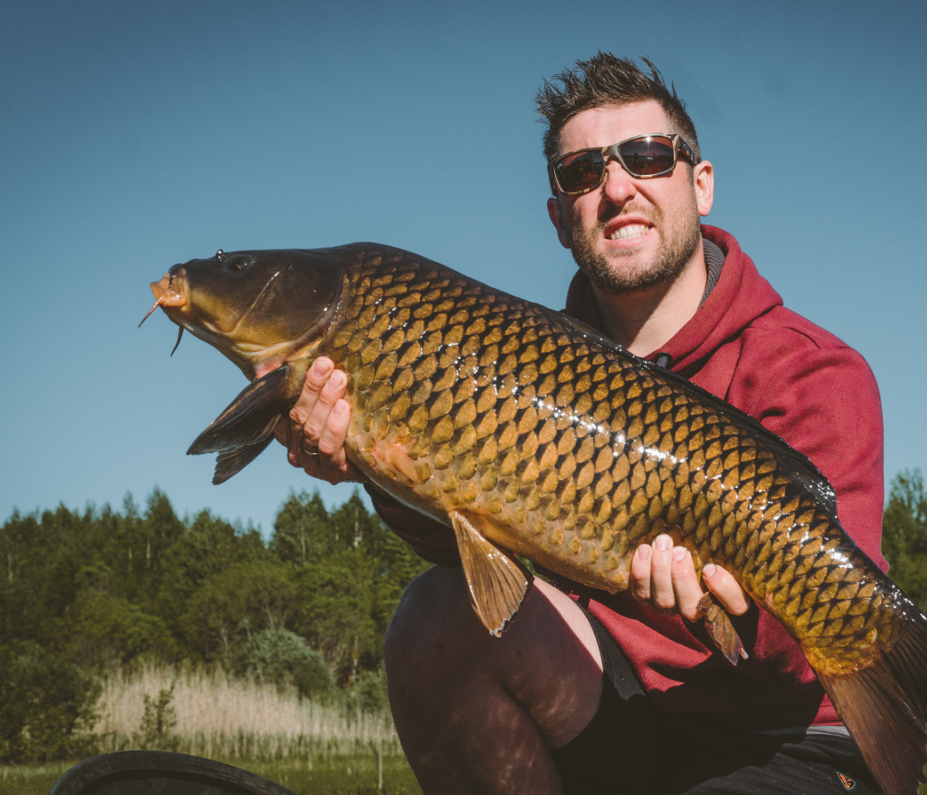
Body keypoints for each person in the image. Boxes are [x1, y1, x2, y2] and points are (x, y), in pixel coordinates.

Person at [276, 53, 887, 795]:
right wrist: (374, 462)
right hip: (616, 708)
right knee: (435, 617)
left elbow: (807, 651)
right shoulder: (524, 359)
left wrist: (721, 612)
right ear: (559, 215)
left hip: (781, 737)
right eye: (581, 173)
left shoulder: (811, 370)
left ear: (701, 183)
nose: (616, 187)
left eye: (647, 157)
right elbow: (475, 547)